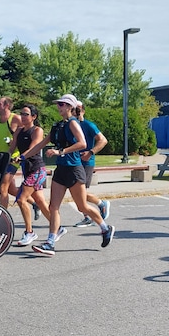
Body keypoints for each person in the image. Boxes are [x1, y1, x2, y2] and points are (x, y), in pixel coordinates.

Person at [23, 94, 115, 256]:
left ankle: (105, 228)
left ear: (70, 107)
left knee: (82, 206)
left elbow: (83, 143)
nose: (59, 107)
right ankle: (50, 242)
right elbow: (41, 145)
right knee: (53, 207)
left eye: (62, 104)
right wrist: (24, 155)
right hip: (61, 170)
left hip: (74, 169)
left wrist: (60, 151)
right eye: (58, 104)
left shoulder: (73, 123)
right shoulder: (58, 125)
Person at [9, 104, 51, 246]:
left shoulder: (37, 131)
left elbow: (34, 147)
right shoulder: (19, 131)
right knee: (39, 201)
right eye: (22, 113)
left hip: (37, 169)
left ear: (34, 117)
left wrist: (21, 156)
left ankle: (29, 232)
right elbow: (11, 148)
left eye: (26, 114)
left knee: (21, 199)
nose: (23, 116)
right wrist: (5, 157)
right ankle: (57, 227)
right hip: (27, 169)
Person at [73, 101, 111, 227]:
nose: (76, 112)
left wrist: (90, 152)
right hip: (74, 162)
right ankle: (93, 211)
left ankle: (100, 204)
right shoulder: (71, 125)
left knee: (80, 192)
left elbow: (103, 140)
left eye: (78, 109)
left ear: (83, 111)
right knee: (76, 192)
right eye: (74, 109)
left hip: (86, 162)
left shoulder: (88, 125)